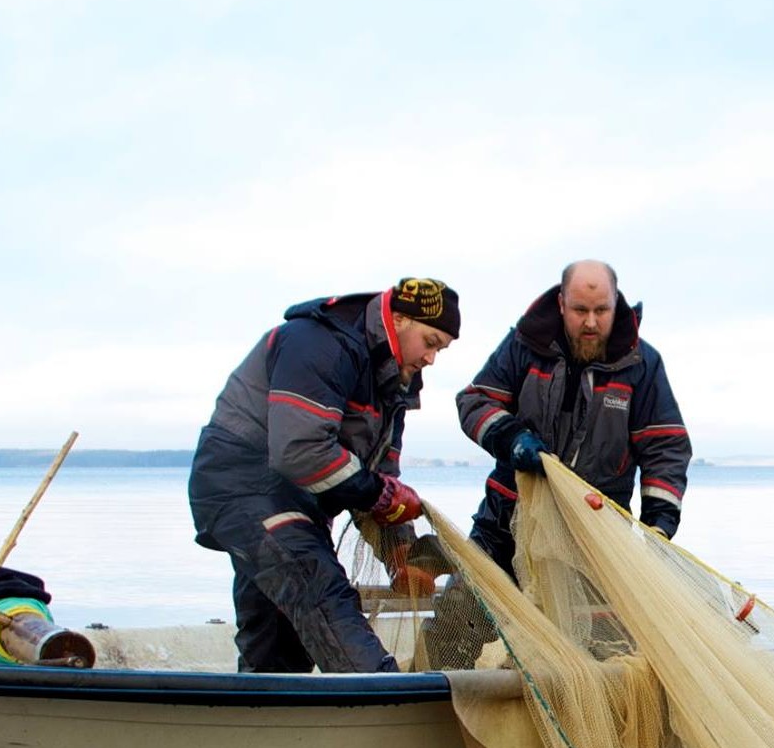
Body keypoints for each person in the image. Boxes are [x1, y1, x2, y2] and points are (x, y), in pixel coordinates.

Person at [188, 278, 460, 673]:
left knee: (278, 639)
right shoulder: (319, 343)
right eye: (431, 341)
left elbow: (383, 478)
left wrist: (400, 556)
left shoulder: (392, 384)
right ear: (399, 319)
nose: (432, 358)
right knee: (320, 590)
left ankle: (261, 722)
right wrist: (381, 496)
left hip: (297, 504)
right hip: (244, 486)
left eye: (442, 349)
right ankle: (384, 699)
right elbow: (300, 451)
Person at [456, 259, 691, 575]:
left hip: (595, 531)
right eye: (581, 310)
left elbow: (665, 447)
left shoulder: (641, 364)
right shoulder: (524, 344)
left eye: (602, 311)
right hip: (506, 519)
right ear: (562, 304)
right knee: (463, 611)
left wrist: (658, 525)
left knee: (588, 624)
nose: (591, 322)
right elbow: (475, 401)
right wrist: (510, 438)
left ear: (615, 303)